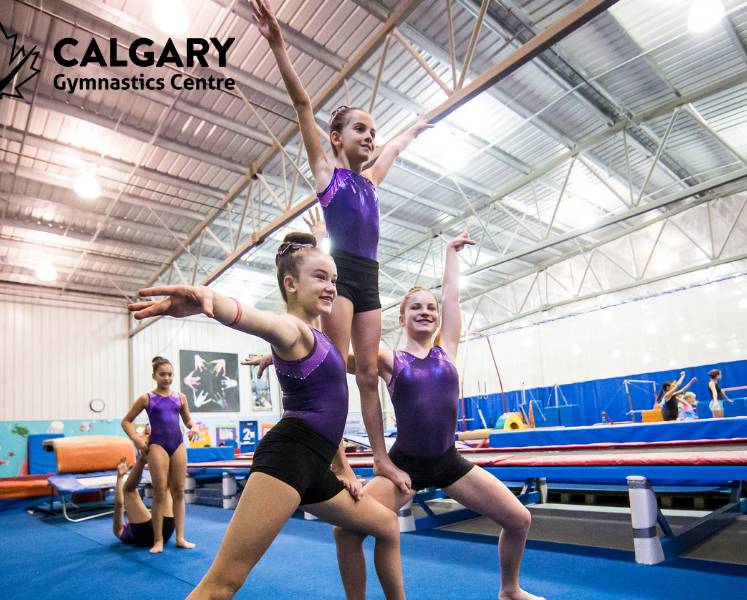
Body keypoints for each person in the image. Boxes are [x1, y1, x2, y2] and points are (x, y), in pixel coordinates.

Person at [245, 225, 544, 600]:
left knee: (519, 519)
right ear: (401, 319)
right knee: (345, 530)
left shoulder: (446, 349)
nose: (426, 312)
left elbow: (452, 296)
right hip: (405, 466)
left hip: (450, 462)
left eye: (430, 308)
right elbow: (331, 358)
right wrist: (276, 355)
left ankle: (510, 588)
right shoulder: (389, 359)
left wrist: (451, 253)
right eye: (415, 308)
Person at [128, 232, 406, 600]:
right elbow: (261, 323)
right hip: (289, 459)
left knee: (386, 525)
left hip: (315, 465)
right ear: (290, 284)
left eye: (334, 280)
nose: (331, 288)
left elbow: (315, 368)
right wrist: (212, 301)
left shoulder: (316, 336)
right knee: (223, 583)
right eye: (320, 278)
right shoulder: (291, 328)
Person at [250, 0, 432, 494]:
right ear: (336, 138)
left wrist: (412, 128)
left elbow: (393, 147)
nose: (370, 138)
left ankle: (379, 459)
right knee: (332, 369)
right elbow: (305, 106)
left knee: (369, 372)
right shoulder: (329, 178)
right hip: (342, 273)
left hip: (369, 275)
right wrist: (277, 44)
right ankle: (337, 462)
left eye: (372, 132)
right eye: (360, 130)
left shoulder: (371, 181)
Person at [122, 356, 199, 553]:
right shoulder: (146, 398)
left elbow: (188, 420)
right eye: (162, 374)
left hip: (177, 444)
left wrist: (194, 426)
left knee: (179, 491)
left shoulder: (180, 397)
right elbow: (126, 421)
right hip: (157, 445)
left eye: (170, 374)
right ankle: (158, 540)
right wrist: (136, 438)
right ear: (154, 375)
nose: (166, 378)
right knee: (159, 491)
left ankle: (180, 538)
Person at [113, 454, 176, 548]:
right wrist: (120, 477)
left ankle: (157, 455)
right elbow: (119, 504)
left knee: (166, 487)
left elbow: (119, 504)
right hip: (152, 534)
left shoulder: (121, 533)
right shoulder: (123, 531)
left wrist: (120, 477)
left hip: (166, 534)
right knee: (129, 490)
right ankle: (146, 457)